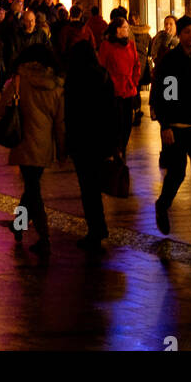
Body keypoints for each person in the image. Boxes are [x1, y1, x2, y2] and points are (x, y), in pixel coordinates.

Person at [151, 14, 191, 246]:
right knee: (177, 173)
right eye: (187, 32)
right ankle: (163, 203)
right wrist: (165, 125)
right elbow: (164, 95)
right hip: (177, 129)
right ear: (179, 35)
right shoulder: (170, 61)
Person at [0, 44, 65, 259]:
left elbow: (1, 108)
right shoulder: (55, 85)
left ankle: (44, 237)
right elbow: (60, 122)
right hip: (44, 145)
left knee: (32, 191)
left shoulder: (19, 80)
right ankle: (19, 225)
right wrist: (62, 151)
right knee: (31, 188)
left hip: (23, 142)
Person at [64, 39, 117, 252]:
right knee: (95, 186)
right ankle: (98, 226)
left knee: (88, 189)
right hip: (101, 139)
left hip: (81, 141)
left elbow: (69, 113)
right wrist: (115, 143)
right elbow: (112, 111)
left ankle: (96, 229)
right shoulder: (103, 76)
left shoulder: (74, 79)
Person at [97, 16, 140, 155]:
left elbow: (136, 65)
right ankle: (116, 148)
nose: (127, 30)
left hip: (128, 88)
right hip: (113, 89)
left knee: (127, 122)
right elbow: (101, 66)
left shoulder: (131, 45)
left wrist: (133, 81)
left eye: (127, 27)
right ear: (117, 30)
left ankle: (123, 147)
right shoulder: (107, 45)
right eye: (125, 27)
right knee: (116, 122)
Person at [9, 6, 51, 71]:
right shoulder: (18, 34)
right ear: (23, 21)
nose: (31, 24)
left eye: (32, 20)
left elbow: (48, 48)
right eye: (28, 21)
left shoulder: (40, 33)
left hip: (38, 67)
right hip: (24, 68)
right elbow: (14, 52)